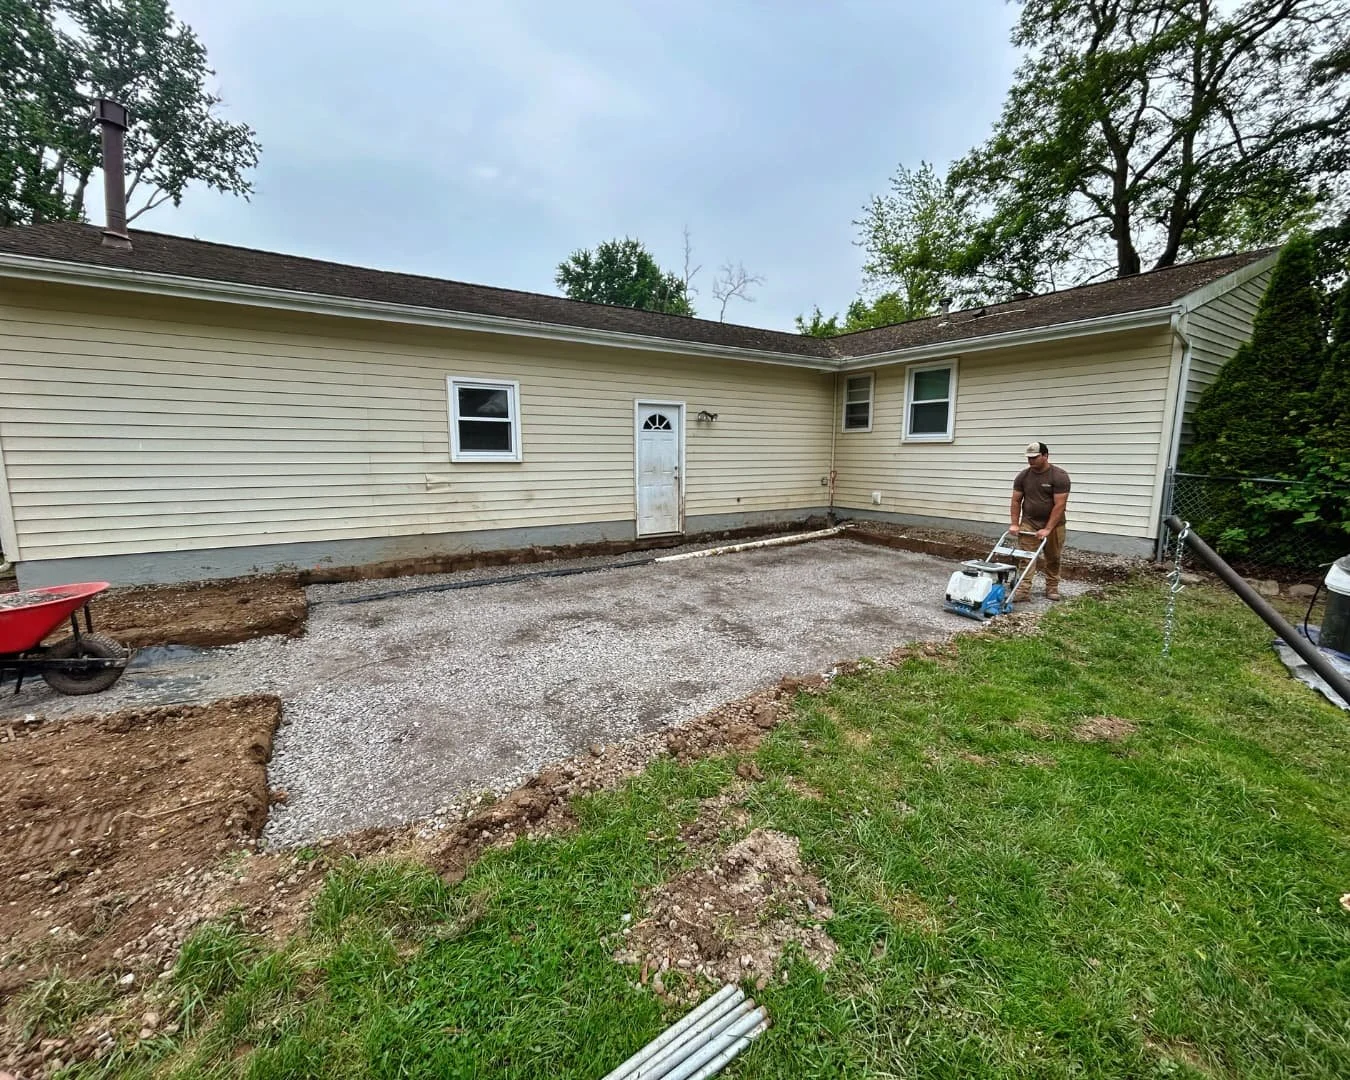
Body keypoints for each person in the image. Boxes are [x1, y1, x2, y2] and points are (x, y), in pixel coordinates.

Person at [1009, 440, 1070, 601]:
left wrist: (1048, 529)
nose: (1030, 461)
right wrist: (1015, 523)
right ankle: (1023, 591)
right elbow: (1016, 501)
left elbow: (1060, 505)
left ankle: (1052, 587)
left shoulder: (1059, 476)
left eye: (1034, 457)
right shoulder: (1023, 476)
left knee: (1053, 557)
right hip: (1030, 522)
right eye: (1029, 458)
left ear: (1045, 456)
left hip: (1054, 525)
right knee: (1026, 557)